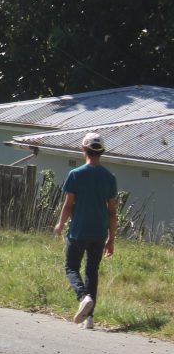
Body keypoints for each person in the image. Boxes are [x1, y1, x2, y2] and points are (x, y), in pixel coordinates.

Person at [53, 132, 118, 330]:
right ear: (102, 152)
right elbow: (112, 212)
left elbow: (68, 205)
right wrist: (111, 238)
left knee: (71, 267)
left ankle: (83, 297)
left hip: (78, 231)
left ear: (83, 150)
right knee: (92, 271)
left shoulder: (76, 175)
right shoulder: (109, 177)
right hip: (98, 233)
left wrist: (60, 224)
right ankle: (89, 318)